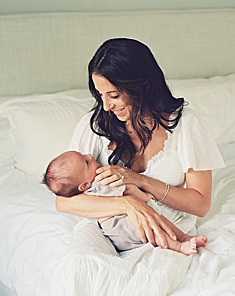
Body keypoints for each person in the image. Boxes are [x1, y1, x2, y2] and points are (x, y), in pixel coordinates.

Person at [55, 38, 225, 250]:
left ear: (142, 85)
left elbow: (200, 205)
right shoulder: (93, 126)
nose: (106, 106)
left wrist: (140, 181)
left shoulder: (186, 125)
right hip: (104, 230)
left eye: (114, 95)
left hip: (169, 232)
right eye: (101, 95)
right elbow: (63, 201)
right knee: (85, 268)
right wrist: (128, 204)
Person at [44, 151, 207, 255]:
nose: (89, 155)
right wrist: (145, 197)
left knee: (156, 221)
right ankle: (179, 246)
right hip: (122, 226)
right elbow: (127, 189)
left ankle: (185, 238)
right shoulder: (100, 182)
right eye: (86, 162)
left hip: (116, 231)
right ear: (84, 185)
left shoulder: (84, 187)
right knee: (155, 223)